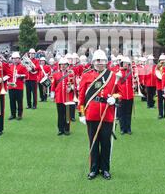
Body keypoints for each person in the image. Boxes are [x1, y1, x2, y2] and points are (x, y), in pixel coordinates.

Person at [78, 49, 120, 180]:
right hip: (91, 114)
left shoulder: (113, 76)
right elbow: (81, 96)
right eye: (97, 61)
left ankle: (105, 169)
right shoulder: (86, 75)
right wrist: (81, 113)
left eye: (101, 61)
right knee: (93, 143)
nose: (99, 63)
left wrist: (115, 98)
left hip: (107, 114)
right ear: (93, 62)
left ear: (106, 62)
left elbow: (120, 93)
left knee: (106, 143)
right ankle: (94, 169)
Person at [50, 57, 77, 136]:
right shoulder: (55, 74)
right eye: (62, 64)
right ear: (59, 65)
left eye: (65, 64)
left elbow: (74, 86)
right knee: (60, 115)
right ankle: (60, 129)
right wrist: (52, 96)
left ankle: (67, 129)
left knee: (67, 115)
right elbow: (53, 86)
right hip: (59, 98)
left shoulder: (71, 74)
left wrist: (71, 88)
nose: (63, 66)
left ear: (67, 65)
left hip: (68, 98)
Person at [117, 56, 134, 135]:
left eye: (126, 63)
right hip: (121, 96)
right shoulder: (119, 72)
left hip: (129, 95)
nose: (125, 65)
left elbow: (133, 82)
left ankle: (128, 128)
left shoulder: (131, 72)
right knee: (121, 113)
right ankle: (122, 128)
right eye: (124, 63)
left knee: (128, 113)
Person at [7, 52, 27, 120]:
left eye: (16, 58)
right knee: (12, 101)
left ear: (19, 59)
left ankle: (19, 114)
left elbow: (26, 75)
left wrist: (20, 75)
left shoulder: (22, 67)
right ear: (12, 59)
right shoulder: (9, 67)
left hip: (19, 86)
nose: (15, 60)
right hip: (11, 86)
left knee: (19, 101)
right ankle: (13, 114)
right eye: (14, 58)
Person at [156, 54, 165, 119]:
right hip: (160, 86)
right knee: (160, 101)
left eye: (164, 60)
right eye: (161, 60)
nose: (163, 61)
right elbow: (155, 75)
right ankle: (160, 114)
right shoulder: (157, 67)